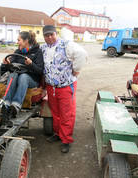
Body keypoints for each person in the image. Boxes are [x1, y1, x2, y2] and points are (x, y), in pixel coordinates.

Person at [41, 25, 87, 153]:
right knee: (55, 112)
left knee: (67, 114)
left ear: (56, 34)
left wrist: (76, 70)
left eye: (52, 34)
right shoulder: (43, 48)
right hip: (51, 87)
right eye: (46, 35)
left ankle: (66, 139)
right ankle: (58, 133)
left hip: (65, 86)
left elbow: (82, 54)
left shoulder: (66, 45)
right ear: (44, 36)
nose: (49, 37)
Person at [0, 31, 44, 119]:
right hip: (17, 77)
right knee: (13, 75)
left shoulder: (38, 52)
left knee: (23, 77)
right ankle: (6, 103)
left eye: (19, 40)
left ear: (26, 40)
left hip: (32, 80)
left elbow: (40, 71)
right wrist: (6, 64)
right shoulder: (17, 51)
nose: (17, 42)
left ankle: (16, 105)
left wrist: (31, 64)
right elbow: (5, 70)